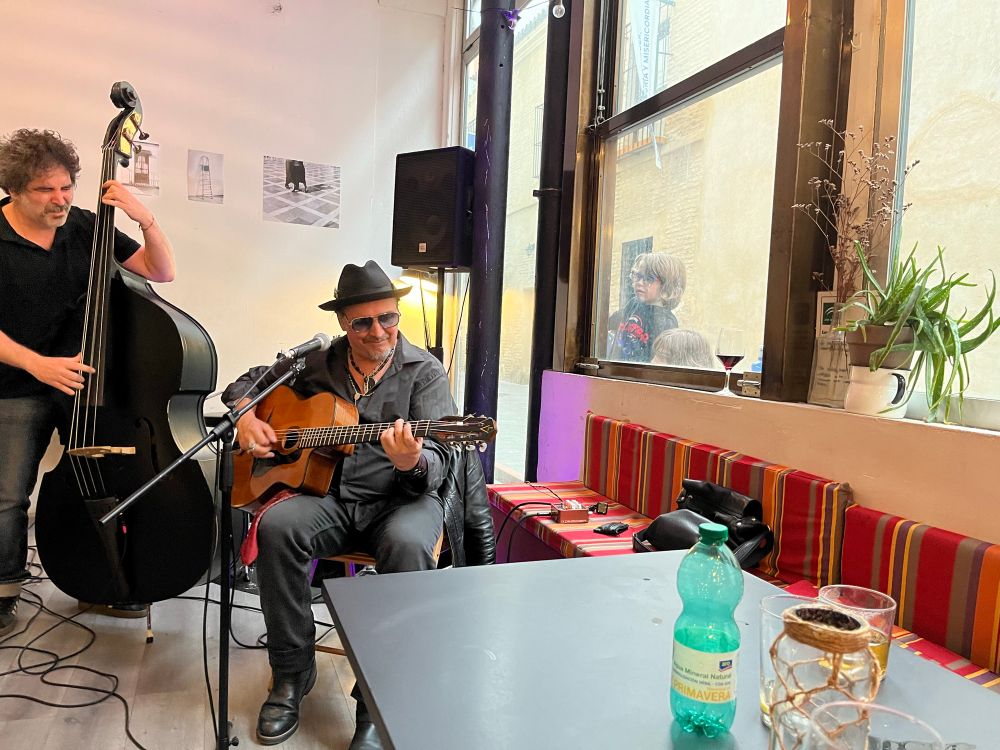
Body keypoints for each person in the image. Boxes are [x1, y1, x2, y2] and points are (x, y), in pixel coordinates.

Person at [221, 260, 494, 748]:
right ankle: (291, 672)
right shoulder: (319, 363)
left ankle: (376, 699)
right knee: (277, 527)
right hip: (331, 498)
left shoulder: (424, 372)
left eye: (387, 318)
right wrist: (246, 418)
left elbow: (442, 456)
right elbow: (246, 385)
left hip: (402, 501)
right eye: (362, 322)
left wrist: (412, 461)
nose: (377, 331)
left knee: (409, 546)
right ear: (343, 323)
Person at [0, 128, 176, 636]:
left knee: (106, 481)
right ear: (14, 190)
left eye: (66, 187)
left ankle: (108, 577)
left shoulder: (84, 227)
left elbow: (160, 272)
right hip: (14, 384)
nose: (60, 200)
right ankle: (5, 591)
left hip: (82, 384)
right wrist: (36, 364)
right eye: (44, 190)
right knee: (9, 494)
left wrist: (146, 219)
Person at [608, 251, 686, 363]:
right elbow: (612, 321)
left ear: (667, 287)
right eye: (637, 276)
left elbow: (659, 360)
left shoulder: (666, 322)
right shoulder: (633, 304)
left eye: (649, 278)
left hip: (639, 375)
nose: (639, 282)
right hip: (615, 369)